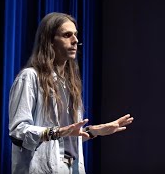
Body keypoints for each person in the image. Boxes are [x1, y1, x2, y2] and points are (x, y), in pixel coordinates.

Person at [8, 12, 134, 174]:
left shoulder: (69, 84)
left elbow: (65, 140)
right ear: (50, 41)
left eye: (75, 35)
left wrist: (94, 131)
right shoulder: (30, 77)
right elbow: (18, 132)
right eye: (67, 35)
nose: (75, 40)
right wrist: (56, 131)